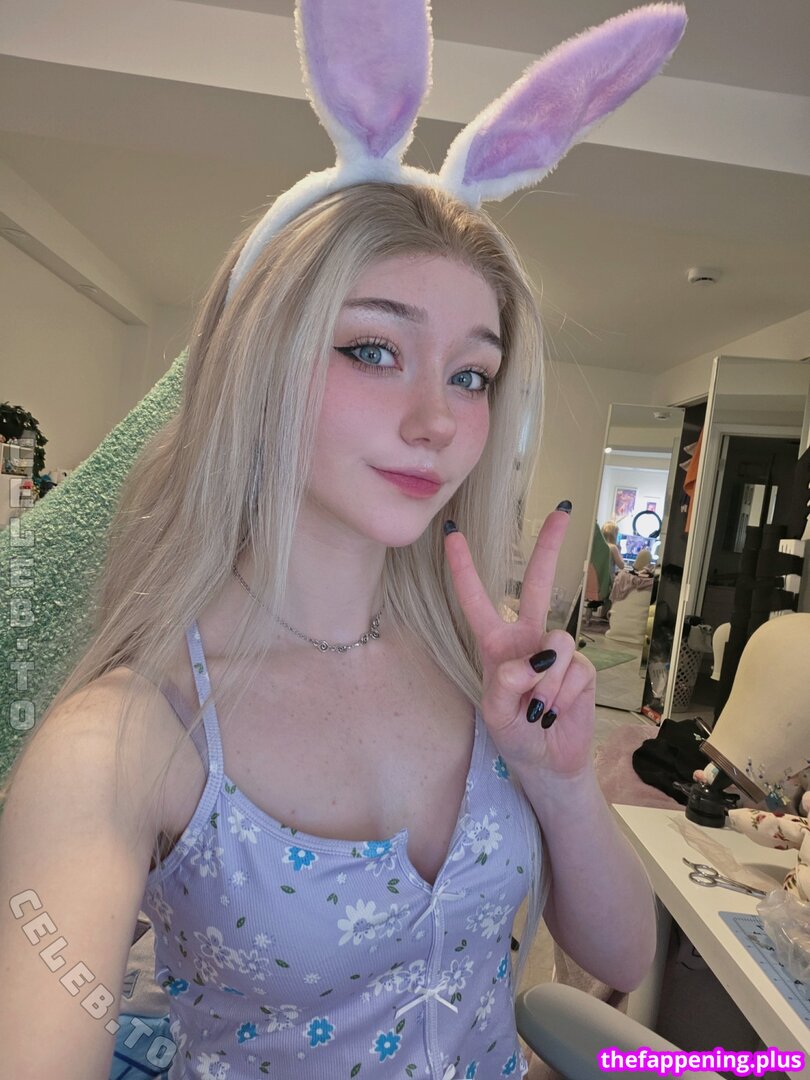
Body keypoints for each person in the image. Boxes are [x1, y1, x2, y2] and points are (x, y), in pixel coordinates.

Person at [0, 3, 686, 1077]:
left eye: (472, 373)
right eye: (373, 350)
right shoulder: (129, 739)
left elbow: (622, 955)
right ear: (257, 365)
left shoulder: (479, 670)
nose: (438, 420)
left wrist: (556, 780)